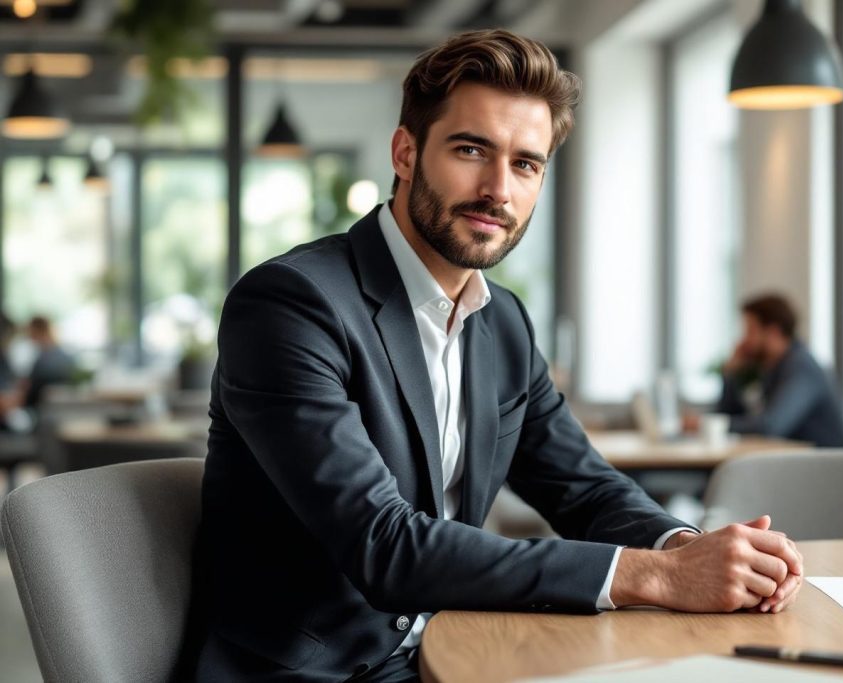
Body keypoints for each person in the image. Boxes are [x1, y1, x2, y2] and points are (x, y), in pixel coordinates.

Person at [194, 30, 803, 682]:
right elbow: (384, 546)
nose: (498, 189)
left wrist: (687, 546)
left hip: (462, 648)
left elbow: (585, 488)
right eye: (470, 149)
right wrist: (653, 573)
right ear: (405, 152)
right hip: (316, 671)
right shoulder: (291, 303)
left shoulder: (502, 320)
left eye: (525, 164)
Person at [696, 294, 843, 447]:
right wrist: (731, 375)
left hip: (823, 466)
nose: (744, 340)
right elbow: (733, 414)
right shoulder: (774, 368)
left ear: (773, 332)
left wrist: (710, 424)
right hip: (793, 462)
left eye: (750, 331)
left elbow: (769, 426)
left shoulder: (802, 367)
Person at [0, 315, 75, 428]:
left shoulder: (45, 360)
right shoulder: (62, 356)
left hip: (38, 413)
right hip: (49, 412)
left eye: (29, 332)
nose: (28, 336)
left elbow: (27, 392)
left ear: (36, 330)